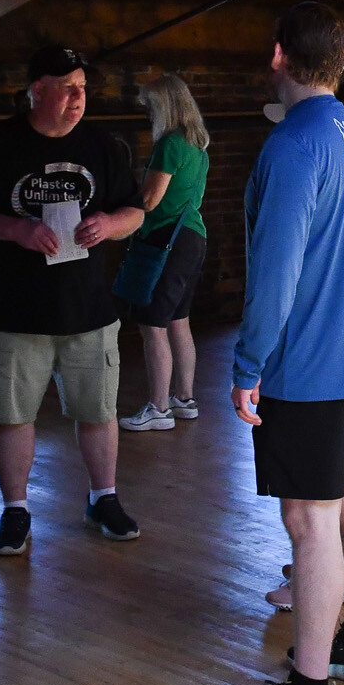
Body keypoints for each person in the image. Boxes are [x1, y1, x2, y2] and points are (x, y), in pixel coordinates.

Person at [215, 2, 344, 685]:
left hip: (311, 364)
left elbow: (277, 268)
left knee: (309, 522)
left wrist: (248, 361)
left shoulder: (294, 144)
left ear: (279, 55)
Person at [0, 46, 146, 553]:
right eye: (68, 87)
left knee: (98, 410)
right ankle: (15, 510)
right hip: (16, 311)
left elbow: (135, 212)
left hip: (88, 309)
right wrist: (15, 229)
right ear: (38, 90)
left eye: (83, 88)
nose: (79, 98)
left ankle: (103, 498)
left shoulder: (103, 146)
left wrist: (110, 224)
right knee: (12, 414)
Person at [119, 74, 210, 432]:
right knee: (179, 321)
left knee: (152, 325)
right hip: (193, 238)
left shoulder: (169, 145)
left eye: (150, 107)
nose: (147, 114)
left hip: (166, 241)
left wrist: (118, 207)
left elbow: (149, 200)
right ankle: (184, 400)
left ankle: (159, 408)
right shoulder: (198, 147)